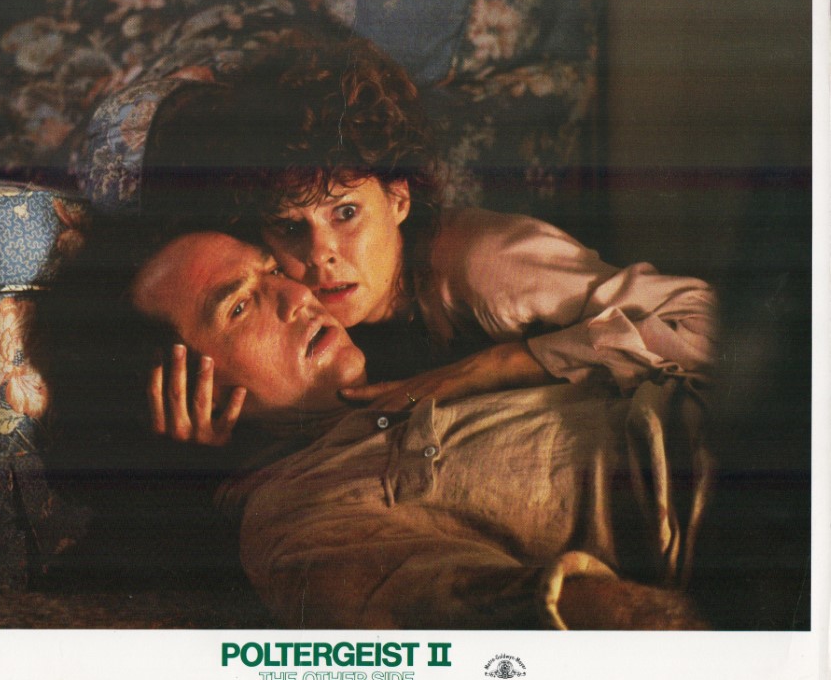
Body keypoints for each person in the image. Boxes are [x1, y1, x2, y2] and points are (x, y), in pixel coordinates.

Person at [139, 33, 718, 446]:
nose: (320, 256)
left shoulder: (487, 265)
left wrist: (500, 364)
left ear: (398, 199)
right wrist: (228, 441)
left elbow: (703, 323)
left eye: (346, 213)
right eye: (291, 228)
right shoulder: (307, 316)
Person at [130, 229, 713, 630]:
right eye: (239, 307)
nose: (298, 295)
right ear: (183, 393)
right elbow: (543, 613)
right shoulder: (291, 515)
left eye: (273, 270)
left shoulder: (411, 374)